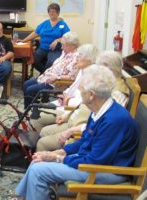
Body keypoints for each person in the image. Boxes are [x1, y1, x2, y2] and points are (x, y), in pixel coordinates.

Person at [15, 64, 139, 200]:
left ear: (91, 95)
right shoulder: (100, 110)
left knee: (39, 171)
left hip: (108, 171)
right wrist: (61, 152)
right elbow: (85, 140)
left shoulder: (114, 120)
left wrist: (57, 158)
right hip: (94, 163)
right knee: (37, 162)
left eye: (81, 90)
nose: (79, 92)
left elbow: (94, 161)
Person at [36, 51, 130, 152]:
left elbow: (100, 125)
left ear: (108, 69)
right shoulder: (105, 84)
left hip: (82, 132)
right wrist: (67, 115)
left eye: (99, 68)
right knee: (43, 130)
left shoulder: (118, 93)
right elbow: (84, 104)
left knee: (43, 142)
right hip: (77, 121)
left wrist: (61, 153)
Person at [23, 31, 80, 109]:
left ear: (72, 46)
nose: (61, 48)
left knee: (30, 89)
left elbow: (72, 77)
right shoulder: (65, 52)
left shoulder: (76, 58)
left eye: (63, 45)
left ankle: (32, 111)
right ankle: (29, 110)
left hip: (56, 83)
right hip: (47, 77)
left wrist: (57, 77)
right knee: (26, 84)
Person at [20, 3, 70, 74]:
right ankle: (45, 74)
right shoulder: (45, 23)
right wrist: (24, 40)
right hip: (42, 49)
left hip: (55, 50)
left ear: (58, 13)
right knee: (33, 60)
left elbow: (68, 36)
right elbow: (35, 33)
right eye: (50, 11)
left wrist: (57, 40)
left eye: (53, 11)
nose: (51, 13)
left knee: (51, 62)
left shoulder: (63, 24)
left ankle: (45, 76)